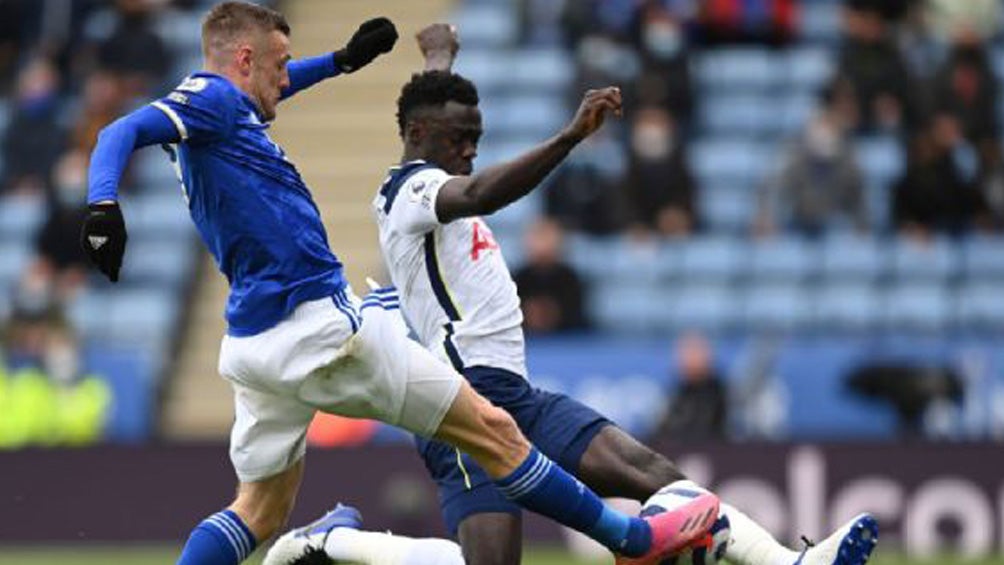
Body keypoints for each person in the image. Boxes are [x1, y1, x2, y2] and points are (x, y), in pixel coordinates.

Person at [79, 3, 718, 565]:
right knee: (494, 431)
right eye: (279, 63)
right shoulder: (211, 100)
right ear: (243, 59)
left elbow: (269, 90)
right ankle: (635, 542)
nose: (285, 76)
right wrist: (103, 205)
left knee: (260, 510)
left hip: (253, 341)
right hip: (320, 329)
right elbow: (119, 131)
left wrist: (340, 61)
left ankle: (325, 541)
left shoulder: (227, 115)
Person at [368, 23, 878, 565]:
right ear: (420, 136)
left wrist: (440, 56)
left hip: (517, 397)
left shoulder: (430, 145)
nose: (471, 147)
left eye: (477, 136)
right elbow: (480, 193)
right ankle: (332, 543)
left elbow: (432, 109)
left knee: (664, 483)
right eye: (459, 139)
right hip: (462, 407)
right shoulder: (408, 191)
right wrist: (570, 136)